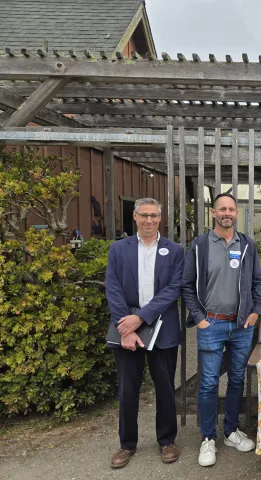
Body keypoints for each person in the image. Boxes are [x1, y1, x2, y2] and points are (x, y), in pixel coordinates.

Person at [181, 193, 261, 467]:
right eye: (222, 209)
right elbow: (187, 286)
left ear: (236, 213)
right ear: (213, 213)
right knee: (208, 383)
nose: (227, 213)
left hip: (241, 325)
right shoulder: (200, 245)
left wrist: (254, 312)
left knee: (237, 379)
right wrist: (200, 318)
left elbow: (257, 282)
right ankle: (208, 438)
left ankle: (230, 431)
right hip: (212, 323)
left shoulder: (247, 244)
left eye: (231, 209)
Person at [105, 198, 184, 469]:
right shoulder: (118, 249)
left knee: (165, 388)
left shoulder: (175, 251)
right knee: (128, 389)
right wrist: (124, 326)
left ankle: (167, 441)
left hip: (162, 327)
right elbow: (112, 287)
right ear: (135, 218)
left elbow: (174, 289)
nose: (149, 220)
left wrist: (142, 317)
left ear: (160, 218)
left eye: (153, 215)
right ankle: (127, 444)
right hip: (126, 327)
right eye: (143, 215)